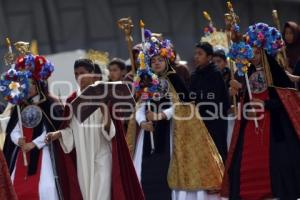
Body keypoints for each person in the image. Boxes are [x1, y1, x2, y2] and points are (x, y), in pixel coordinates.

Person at [127, 34, 224, 200]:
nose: (156, 63)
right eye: (153, 60)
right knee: (147, 171)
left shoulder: (174, 78)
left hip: (173, 131)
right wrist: (142, 121)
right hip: (149, 131)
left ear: (167, 60)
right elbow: (140, 106)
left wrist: (161, 115)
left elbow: (183, 104)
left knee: (170, 168)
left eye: (160, 60)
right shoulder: (146, 80)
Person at [46, 59, 144, 200]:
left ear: (92, 74)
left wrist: (104, 110)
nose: (79, 77)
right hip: (83, 159)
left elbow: (111, 133)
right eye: (76, 74)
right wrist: (58, 134)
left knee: (102, 195)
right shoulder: (72, 99)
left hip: (102, 154)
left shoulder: (105, 93)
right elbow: (71, 131)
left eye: (83, 73)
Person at [222, 46, 300, 200]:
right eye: (251, 53)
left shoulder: (275, 71)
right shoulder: (247, 72)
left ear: (264, 52)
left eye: (257, 52)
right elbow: (246, 98)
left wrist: (265, 105)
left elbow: (287, 100)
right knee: (247, 162)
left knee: (277, 162)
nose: (254, 56)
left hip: (274, 126)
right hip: (251, 124)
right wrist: (236, 93)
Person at [4, 78, 64, 200]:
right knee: (16, 186)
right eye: (25, 84)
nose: (28, 87)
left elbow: (52, 129)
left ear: (38, 85)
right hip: (22, 153)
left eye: (31, 83)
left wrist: (34, 143)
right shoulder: (20, 106)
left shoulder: (49, 104)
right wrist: (18, 140)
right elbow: (13, 130)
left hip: (44, 150)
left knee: (46, 187)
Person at [190, 42, 230, 162]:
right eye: (196, 53)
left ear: (209, 57)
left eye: (200, 54)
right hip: (200, 119)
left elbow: (219, 98)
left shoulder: (215, 74)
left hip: (215, 120)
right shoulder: (194, 75)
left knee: (218, 151)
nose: (196, 56)